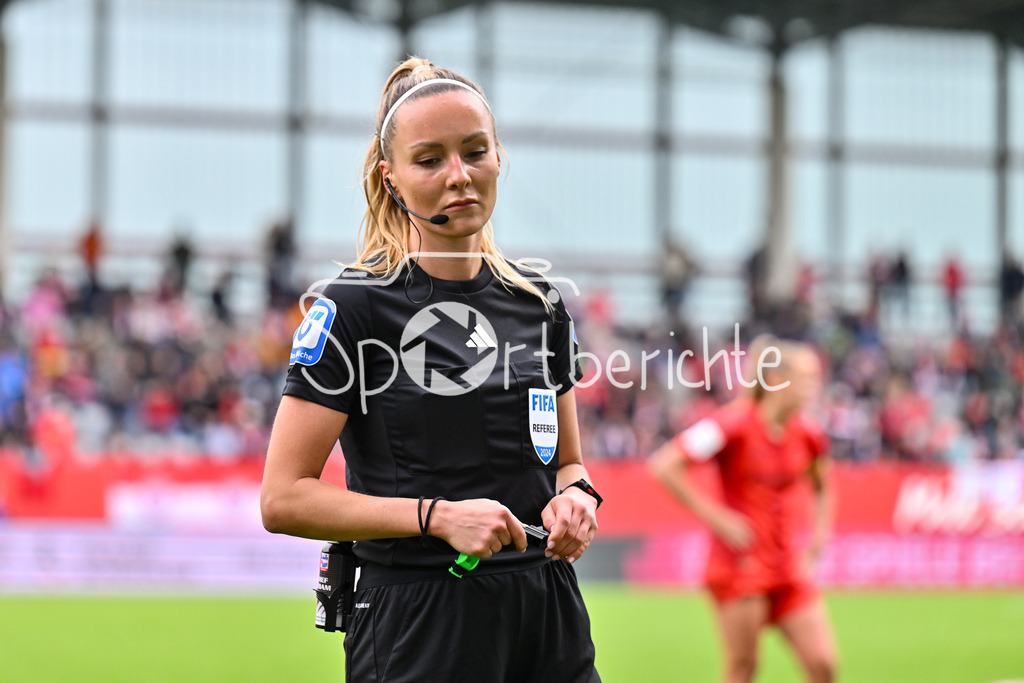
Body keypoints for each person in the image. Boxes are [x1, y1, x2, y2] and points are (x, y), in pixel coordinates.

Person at [260, 57, 602, 682]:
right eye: (429, 159)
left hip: (548, 614)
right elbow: (282, 499)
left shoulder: (541, 304)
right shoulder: (352, 307)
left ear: (500, 157)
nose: (458, 176)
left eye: (475, 152)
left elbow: (567, 464)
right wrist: (436, 516)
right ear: (391, 179)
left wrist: (576, 500)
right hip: (420, 618)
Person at [648, 337, 837, 683]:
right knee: (743, 667)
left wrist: (820, 535)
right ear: (778, 380)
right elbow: (665, 465)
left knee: (824, 664)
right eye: (807, 379)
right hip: (740, 566)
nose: (815, 388)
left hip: (786, 566)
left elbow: (823, 483)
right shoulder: (731, 425)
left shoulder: (808, 433)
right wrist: (717, 519)